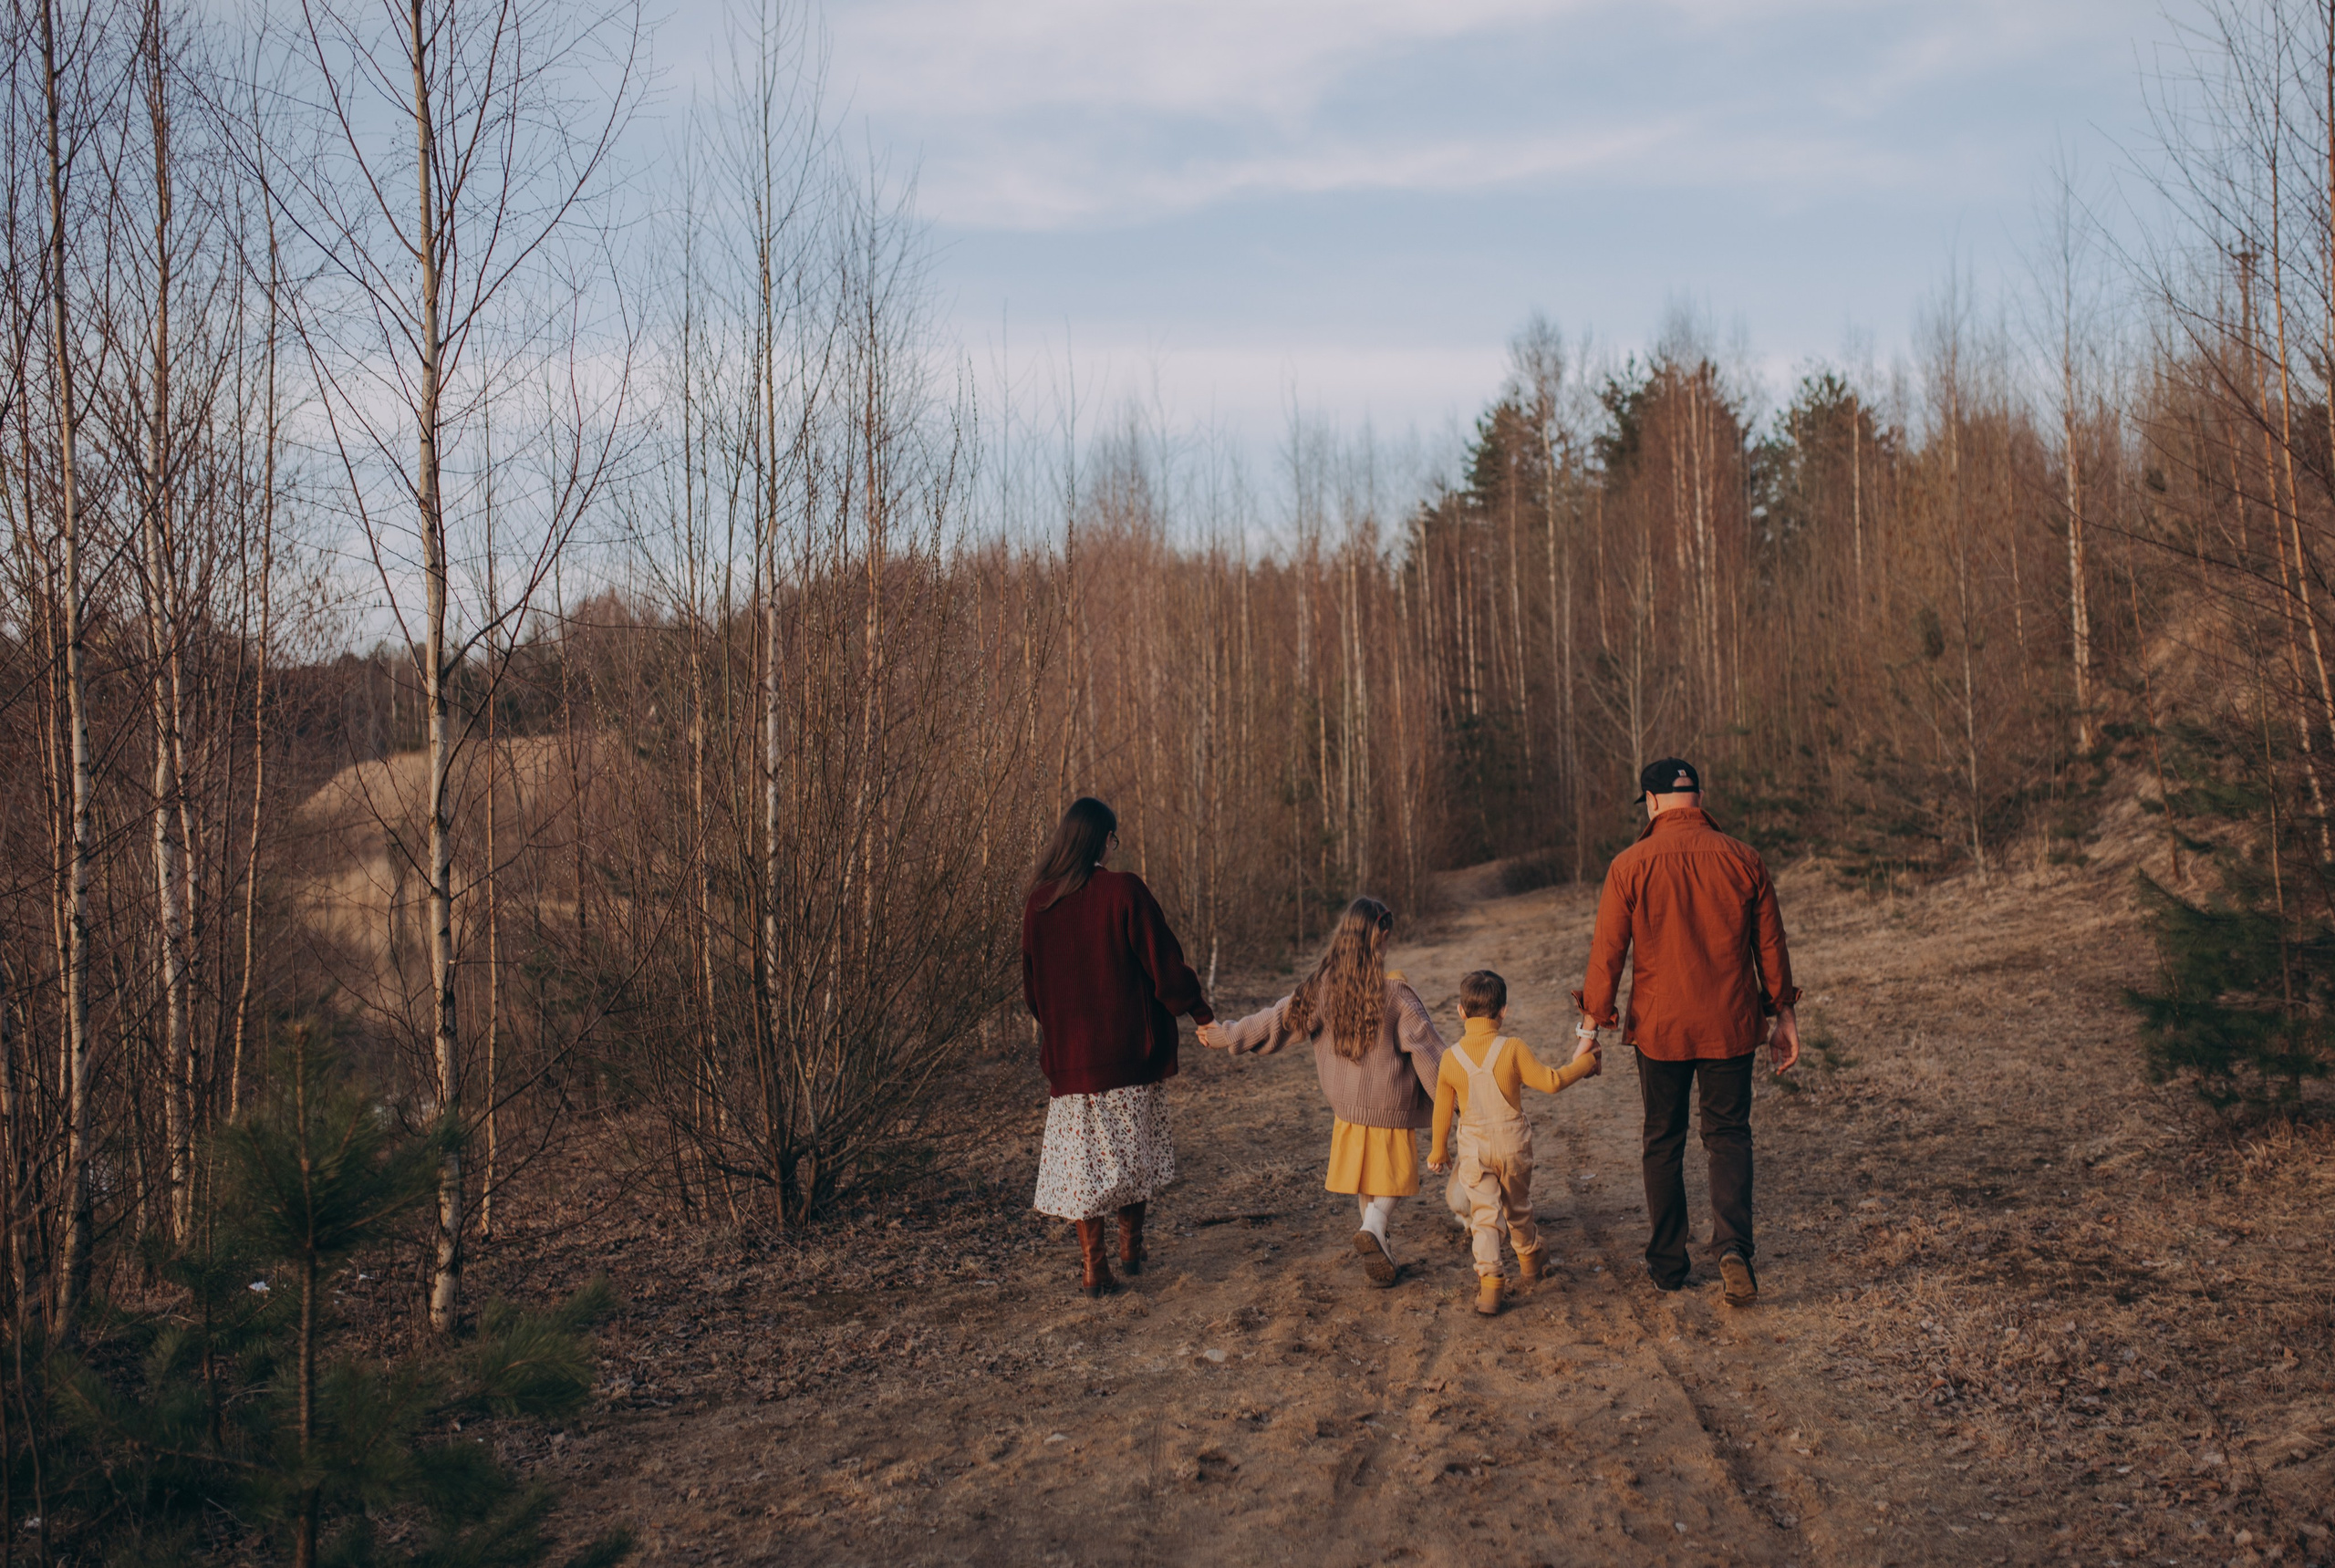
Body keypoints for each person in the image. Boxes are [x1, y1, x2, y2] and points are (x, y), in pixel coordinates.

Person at [1572, 758, 1801, 1308]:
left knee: (1663, 1140)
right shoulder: (1745, 859)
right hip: (1730, 1020)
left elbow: (1608, 955)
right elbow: (1770, 946)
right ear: (1697, 797)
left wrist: (1590, 1029)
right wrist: (1784, 1017)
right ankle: (1733, 1251)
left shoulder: (1629, 864)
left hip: (1661, 1026)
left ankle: (1669, 1266)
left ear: (1651, 802)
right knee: (1727, 1135)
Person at [1022, 797, 1215, 1298]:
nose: (1115, 845)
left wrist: (1064, 1033)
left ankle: (1095, 1267)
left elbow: (1033, 992)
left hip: (1071, 1065)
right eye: (1115, 837)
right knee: (1132, 1158)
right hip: (1128, 1055)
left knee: (1084, 1168)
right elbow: (1164, 964)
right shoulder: (1124, 890)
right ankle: (1131, 1248)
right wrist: (1200, 1012)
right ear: (1103, 840)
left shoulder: (1039, 904)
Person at [1200, 898, 1447, 1288]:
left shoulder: (1321, 989)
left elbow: (1275, 1019)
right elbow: (1431, 1054)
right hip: (1390, 1106)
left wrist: (1229, 1034)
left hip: (1347, 1107)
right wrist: (1460, 1102)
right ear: (1381, 939)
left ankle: (1377, 1239)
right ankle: (1377, 1225)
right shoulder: (1397, 995)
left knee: (1368, 1180)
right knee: (1393, 1178)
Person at [1425, 969, 1601, 1317]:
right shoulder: (1513, 1048)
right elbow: (1551, 1082)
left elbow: (1442, 1110)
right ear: (1503, 1010)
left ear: (1461, 1012)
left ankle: (1490, 1285)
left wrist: (1438, 1151)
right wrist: (1586, 1063)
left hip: (1475, 1152)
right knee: (1518, 1207)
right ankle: (1530, 1258)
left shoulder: (1450, 1059)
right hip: (1513, 1146)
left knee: (1485, 1216)